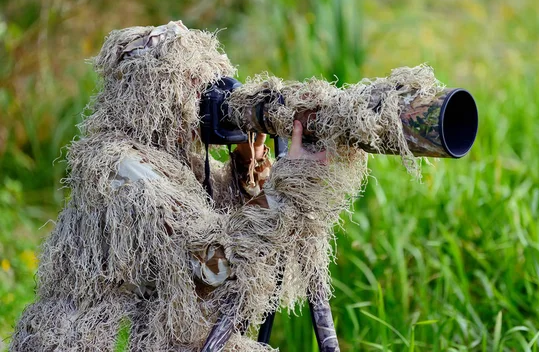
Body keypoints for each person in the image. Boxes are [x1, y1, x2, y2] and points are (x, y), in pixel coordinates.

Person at [10, 21, 362, 351]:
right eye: (194, 84)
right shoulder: (119, 166)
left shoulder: (173, 159)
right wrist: (288, 187)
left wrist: (246, 166)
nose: (208, 99)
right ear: (152, 95)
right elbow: (208, 267)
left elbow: (220, 222)